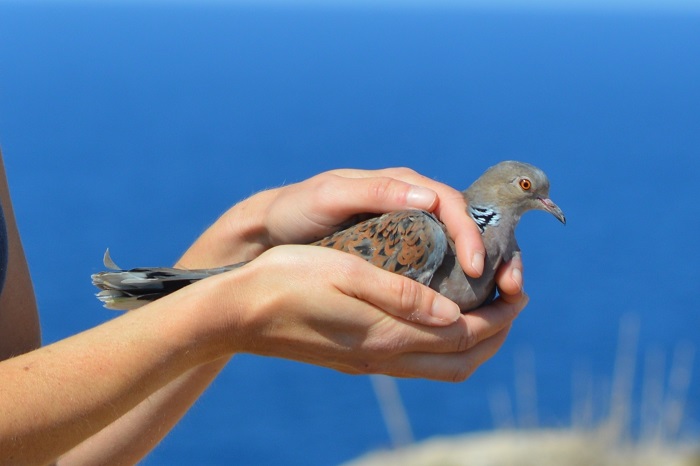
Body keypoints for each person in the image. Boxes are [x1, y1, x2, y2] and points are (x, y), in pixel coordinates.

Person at [0, 149, 527, 465]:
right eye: (528, 190)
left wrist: (250, 233)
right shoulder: (421, 239)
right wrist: (230, 311)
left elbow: (36, 450)